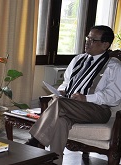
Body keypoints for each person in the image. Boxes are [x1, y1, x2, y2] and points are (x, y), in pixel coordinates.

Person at [25, 25, 121, 165]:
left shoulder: (114, 66)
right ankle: (55, 161)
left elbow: (114, 97)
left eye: (93, 40)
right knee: (60, 120)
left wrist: (86, 98)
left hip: (98, 110)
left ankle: (35, 140)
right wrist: (63, 91)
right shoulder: (78, 60)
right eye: (87, 37)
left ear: (105, 45)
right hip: (71, 106)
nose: (87, 42)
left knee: (59, 103)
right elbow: (66, 82)